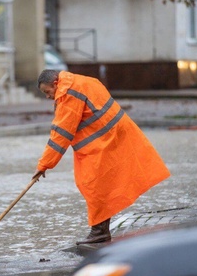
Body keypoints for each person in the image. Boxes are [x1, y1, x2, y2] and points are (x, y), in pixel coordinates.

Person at [33, 69, 170, 245]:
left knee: (93, 185)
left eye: (47, 92)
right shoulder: (82, 81)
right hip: (111, 137)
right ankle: (100, 231)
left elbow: (61, 133)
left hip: (103, 142)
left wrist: (44, 164)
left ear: (55, 83)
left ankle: (99, 232)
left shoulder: (68, 93)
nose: (47, 97)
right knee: (98, 185)